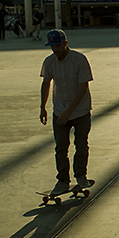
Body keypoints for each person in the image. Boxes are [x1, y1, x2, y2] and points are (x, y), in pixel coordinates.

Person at [39, 29, 94, 196]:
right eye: (52, 47)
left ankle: (81, 176)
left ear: (65, 43)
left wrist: (69, 111)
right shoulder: (49, 62)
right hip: (59, 111)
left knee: (81, 145)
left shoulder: (79, 60)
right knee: (61, 147)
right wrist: (42, 106)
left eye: (58, 46)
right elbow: (46, 83)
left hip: (80, 111)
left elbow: (83, 88)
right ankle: (63, 180)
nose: (55, 50)